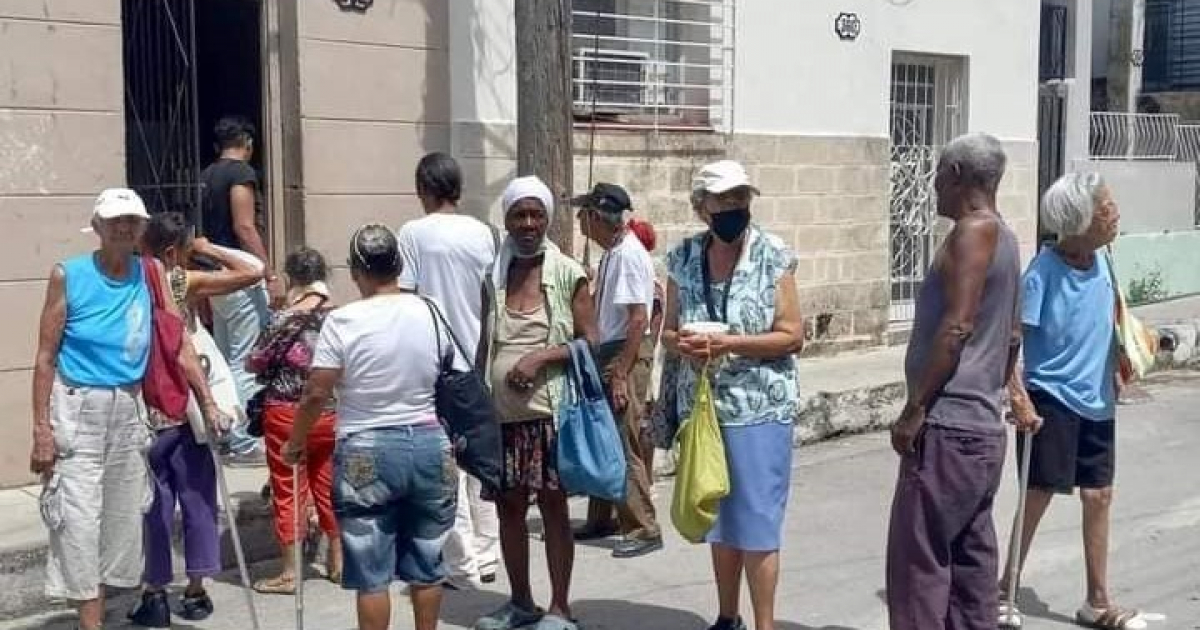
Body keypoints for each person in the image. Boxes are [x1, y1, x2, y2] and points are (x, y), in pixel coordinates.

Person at [29, 189, 224, 630]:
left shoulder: (151, 272)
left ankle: (101, 610)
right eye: (115, 220)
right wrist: (42, 430)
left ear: (142, 229)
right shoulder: (68, 274)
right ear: (96, 227)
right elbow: (44, 357)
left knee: (121, 520)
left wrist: (207, 401)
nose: (123, 227)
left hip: (129, 406)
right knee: (78, 519)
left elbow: (178, 342)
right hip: (78, 406)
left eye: (132, 221)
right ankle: (90, 624)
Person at [282, 225, 455, 630]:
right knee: (428, 562)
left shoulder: (343, 321)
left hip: (367, 448)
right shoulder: (431, 310)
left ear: (357, 270)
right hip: (429, 441)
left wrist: (296, 441)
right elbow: (449, 369)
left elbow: (315, 393)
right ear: (398, 266)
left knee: (373, 575)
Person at [885, 133, 1021, 630]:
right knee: (970, 566)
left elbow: (959, 326)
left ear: (959, 175)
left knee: (919, 566)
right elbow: (1011, 335)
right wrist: (1000, 393)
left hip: (948, 426)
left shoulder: (973, 232)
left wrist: (915, 408)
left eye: (939, 174)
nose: (934, 184)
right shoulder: (1006, 235)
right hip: (982, 431)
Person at [660, 161, 805, 630]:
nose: (734, 209)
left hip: (760, 406)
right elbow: (666, 331)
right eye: (724, 201)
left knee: (758, 523)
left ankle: (765, 624)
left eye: (741, 199)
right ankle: (728, 617)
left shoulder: (773, 255)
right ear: (702, 208)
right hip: (704, 408)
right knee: (719, 517)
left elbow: (792, 335)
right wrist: (681, 343)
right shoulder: (683, 258)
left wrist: (730, 343)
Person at [999, 173, 1146, 630]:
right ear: (1080, 220)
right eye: (1105, 206)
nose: (1114, 212)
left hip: (1097, 400)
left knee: (1099, 495)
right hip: (1051, 399)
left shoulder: (1105, 261)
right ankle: (1004, 589)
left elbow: (1105, 323)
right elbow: (1011, 343)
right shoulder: (1043, 273)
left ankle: (1097, 602)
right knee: (1039, 492)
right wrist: (1019, 398)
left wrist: (1118, 368)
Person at [473, 176, 597, 630]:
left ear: (547, 218)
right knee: (508, 508)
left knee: (553, 506)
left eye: (536, 214)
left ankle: (560, 607)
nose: (527, 223)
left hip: (551, 416)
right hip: (502, 417)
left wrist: (542, 356)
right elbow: (486, 339)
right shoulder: (494, 272)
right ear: (505, 219)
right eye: (518, 214)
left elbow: (592, 343)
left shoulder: (568, 273)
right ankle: (520, 601)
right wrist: (473, 398)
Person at [129, 212, 261, 627]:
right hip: (190, 403)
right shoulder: (184, 281)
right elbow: (255, 270)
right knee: (199, 496)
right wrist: (208, 247)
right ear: (174, 252)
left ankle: (154, 591)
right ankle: (196, 589)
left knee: (153, 503)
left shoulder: (126, 284)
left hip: (147, 406)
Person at [397, 152, 500, 589]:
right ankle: (489, 553)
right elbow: (491, 297)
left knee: (447, 466)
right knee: (480, 458)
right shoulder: (484, 233)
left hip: (434, 361)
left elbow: (407, 297)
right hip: (479, 358)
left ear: (424, 189)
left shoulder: (413, 233)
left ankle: (461, 564)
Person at [572, 183, 663, 558]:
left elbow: (637, 319)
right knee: (603, 435)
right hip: (610, 349)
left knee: (622, 441)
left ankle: (643, 526)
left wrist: (622, 372)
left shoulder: (626, 255)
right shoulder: (613, 254)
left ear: (596, 216)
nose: (579, 221)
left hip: (622, 352)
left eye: (583, 214)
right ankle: (601, 516)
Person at [248, 248, 342, 595]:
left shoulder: (283, 318)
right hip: (330, 412)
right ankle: (339, 562)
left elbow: (255, 362)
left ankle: (290, 574)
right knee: (328, 486)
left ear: (291, 278)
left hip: (287, 412)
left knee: (288, 490)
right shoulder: (339, 316)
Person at [199, 115, 276, 466]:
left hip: (214, 277)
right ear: (247, 142)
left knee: (226, 359)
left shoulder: (206, 176)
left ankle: (227, 435)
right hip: (239, 277)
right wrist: (266, 271)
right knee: (245, 361)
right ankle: (244, 443)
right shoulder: (240, 174)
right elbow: (244, 226)